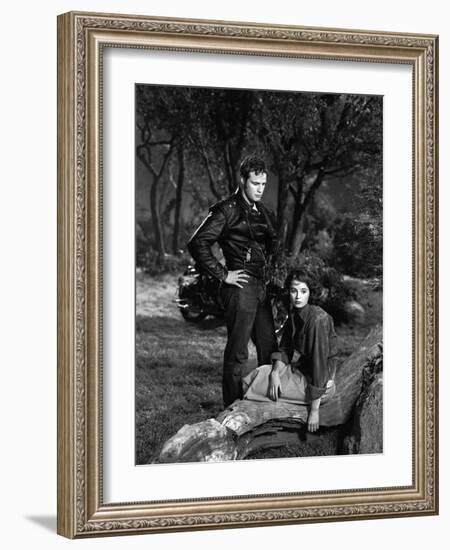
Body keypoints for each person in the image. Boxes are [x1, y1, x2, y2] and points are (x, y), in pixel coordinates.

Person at [187, 155, 279, 408]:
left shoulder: (263, 212)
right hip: (239, 288)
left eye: (263, 184)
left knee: (270, 347)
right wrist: (223, 274)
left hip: (261, 288)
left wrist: (271, 263)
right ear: (242, 180)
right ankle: (232, 409)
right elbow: (197, 243)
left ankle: (266, 404)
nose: (260, 189)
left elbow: (273, 241)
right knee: (238, 354)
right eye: (255, 183)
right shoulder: (226, 210)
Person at [242, 269, 338, 432]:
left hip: (319, 385)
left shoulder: (317, 320)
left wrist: (314, 411)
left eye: (303, 291)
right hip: (302, 371)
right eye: (294, 291)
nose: (298, 296)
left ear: (310, 293)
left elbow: (319, 366)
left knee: (254, 386)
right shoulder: (295, 313)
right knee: (258, 375)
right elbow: (285, 348)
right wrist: (274, 373)